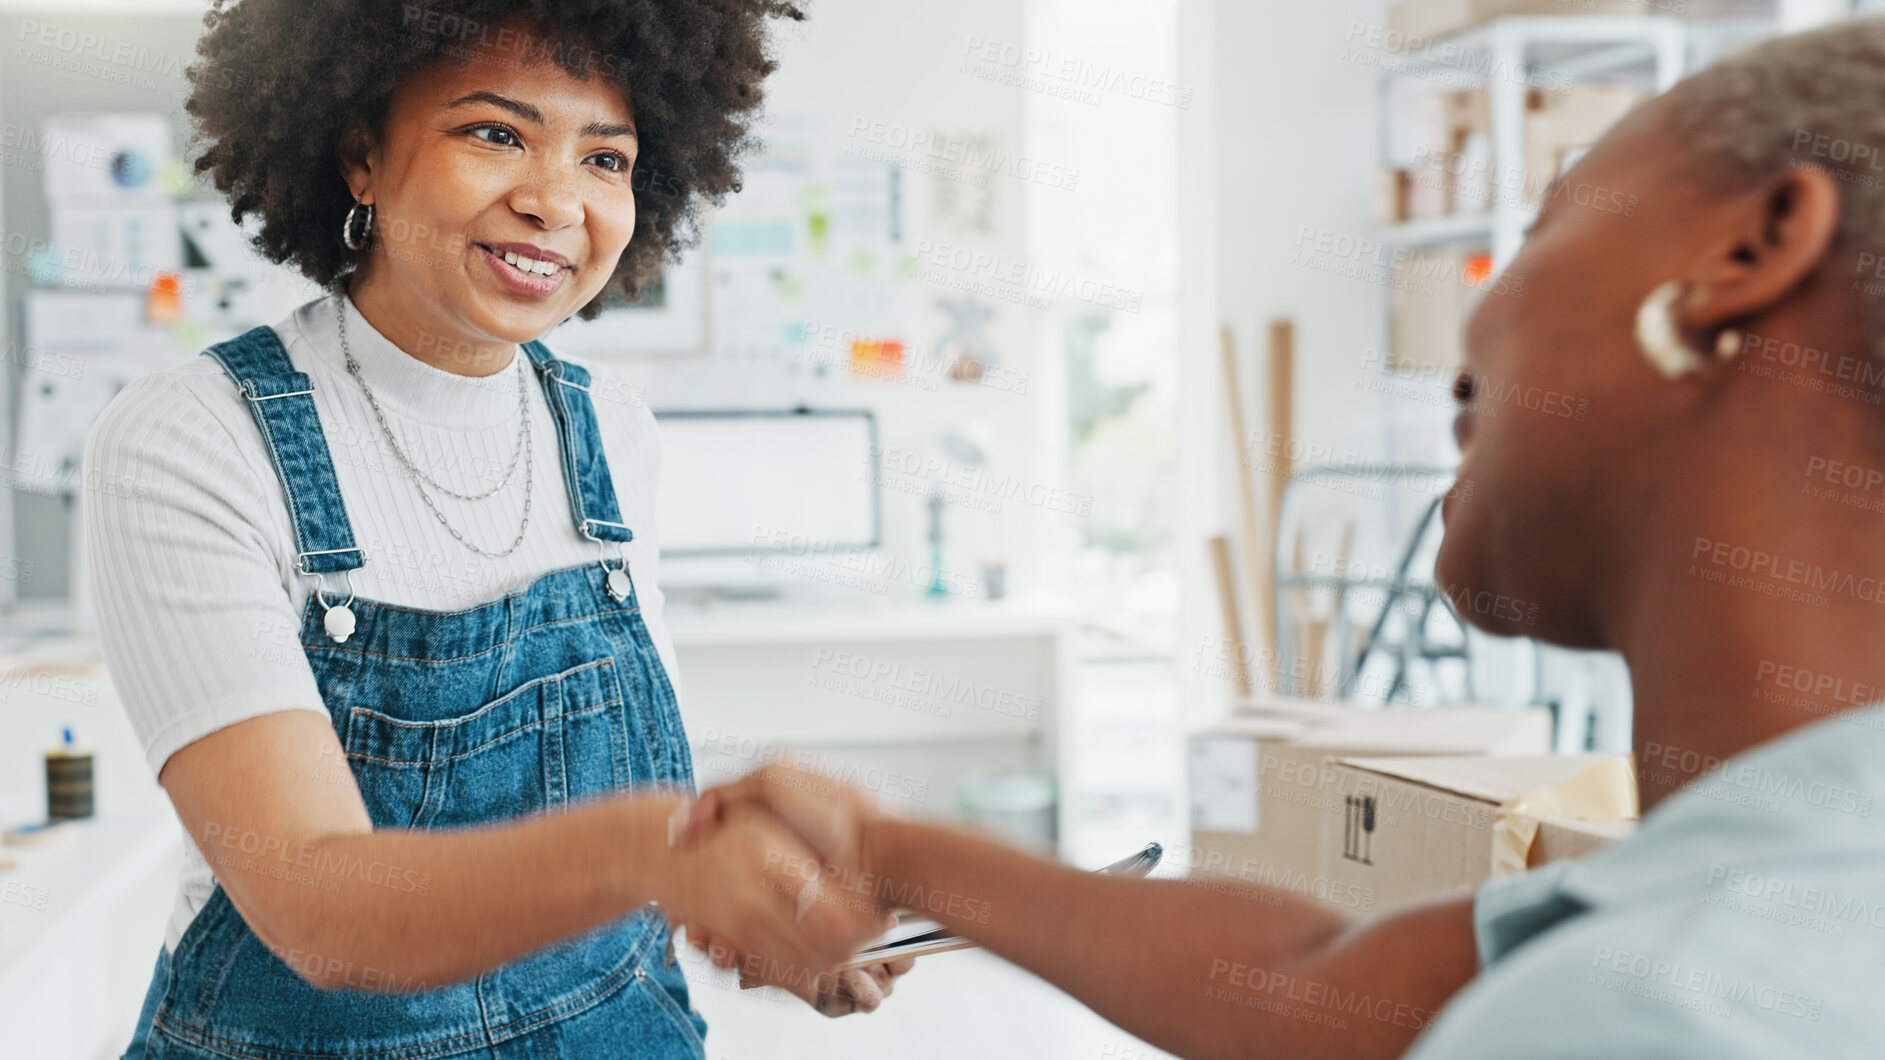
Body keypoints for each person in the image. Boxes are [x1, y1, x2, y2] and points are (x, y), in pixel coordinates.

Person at [685, 18, 1885, 1058]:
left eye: (1539, 228)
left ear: (1747, 252)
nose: (1474, 323)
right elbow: (1322, 986)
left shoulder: (1671, 1014)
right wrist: (890, 851)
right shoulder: (1772, 888)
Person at [84, 4, 906, 1058]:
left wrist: (761, 924)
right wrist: (665, 853)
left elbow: (630, 843)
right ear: (360, 156)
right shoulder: (192, 439)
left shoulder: (613, 432)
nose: (554, 200)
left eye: (605, 157)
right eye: (495, 134)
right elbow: (319, 906)